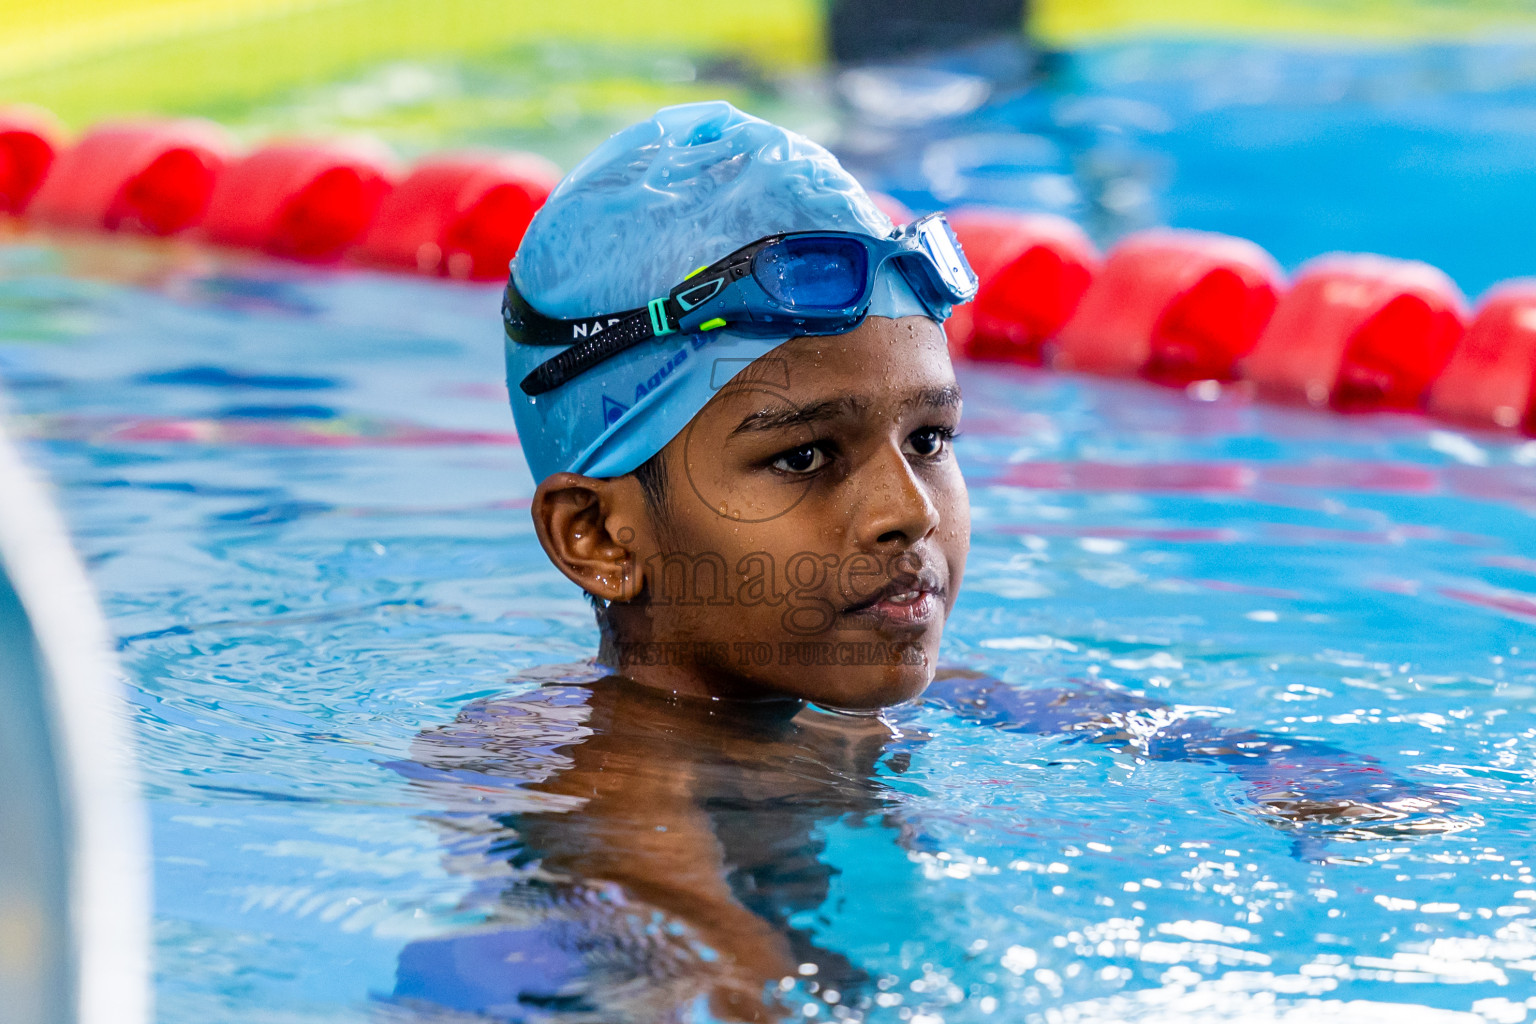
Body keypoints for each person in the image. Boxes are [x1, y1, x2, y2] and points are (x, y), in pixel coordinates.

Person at [382, 102, 1461, 1023]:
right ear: (600, 536)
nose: (906, 513)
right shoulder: (623, 788)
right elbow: (718, 974)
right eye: (804, 455)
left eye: (930, 441)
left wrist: (1257, 758)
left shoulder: (816, 688)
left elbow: (1067, 714)